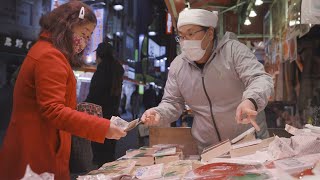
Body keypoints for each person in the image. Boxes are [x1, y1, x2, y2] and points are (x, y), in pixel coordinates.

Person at [0, 2, 126, 179]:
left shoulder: (49, 52)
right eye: (83, 34)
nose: (85, 41)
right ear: (66, 26)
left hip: (40, 149)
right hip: (36, 157)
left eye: (89, 37)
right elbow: (53, 110)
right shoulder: (50, 56)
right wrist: (103, 127)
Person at [141, 8, 274, 152]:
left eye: (190, 34)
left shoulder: (233, 51)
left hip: (248, 143)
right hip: (210, 150)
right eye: (181, 36)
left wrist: (251, 100)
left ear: (209, 33)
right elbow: (172, 102)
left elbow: (260, 79)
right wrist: (159, 113)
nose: (185, 42)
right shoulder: (178, 66)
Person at [85, 40, 124, 166]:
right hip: (113, 116)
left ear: (99, 55)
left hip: (100, 117)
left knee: (100, 155)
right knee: (109, 154)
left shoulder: (102, 69)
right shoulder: (117, 68)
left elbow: (94, 94)